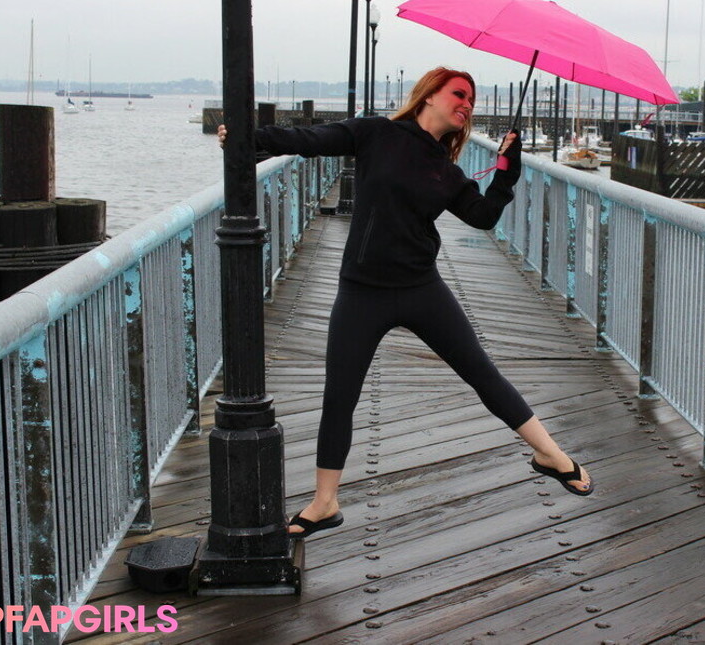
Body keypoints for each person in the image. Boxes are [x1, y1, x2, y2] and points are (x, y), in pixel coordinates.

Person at [218, 67, 593, 539]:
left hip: (420, 288)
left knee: (482, 372)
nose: (467, 104)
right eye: (459, 94)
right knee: (339, 397)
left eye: (472, 100)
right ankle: (325, 502)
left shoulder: (446, 170)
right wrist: (250, 138)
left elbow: (482, 216)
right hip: (362, 291)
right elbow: (312, 139)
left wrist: (506, 172)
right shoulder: (377, 133)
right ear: (429, 94)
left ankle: (550, 454)